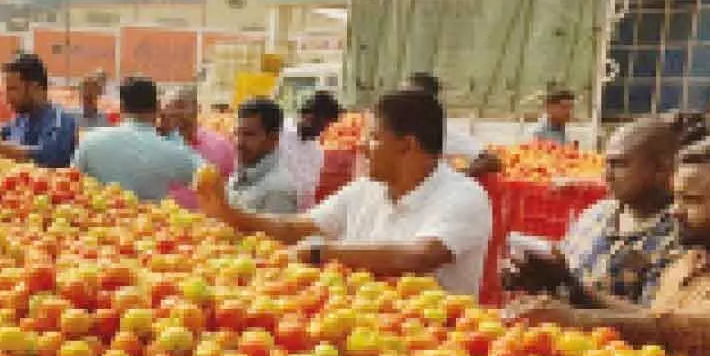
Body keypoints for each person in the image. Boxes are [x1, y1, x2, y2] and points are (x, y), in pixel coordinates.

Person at [506, 135, 710, 356]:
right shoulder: (692, 258)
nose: (674, 211)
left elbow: (695, 331)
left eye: (691, 200)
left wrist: (575, 318)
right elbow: (652, 320)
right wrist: (568, 285)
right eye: (676, 198)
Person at [197, 89, 493, 297]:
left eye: (374, 137)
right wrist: (231, 214)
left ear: (408, 145)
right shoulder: (366, 189)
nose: (362, 147)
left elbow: (421, 255)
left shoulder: (463, 197)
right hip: (360, 330)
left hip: (434, 351)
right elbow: (297, 226)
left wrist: (323, 252)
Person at [503, 113, 706, 307]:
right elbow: (561, 278)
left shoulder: (681, 236)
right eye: (606, 164)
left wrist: (570, 286)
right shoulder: (597, 213)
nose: (607, 175)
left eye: (619, 164)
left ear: (663, 169)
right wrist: (533, 278)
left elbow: (655, 323)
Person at [73, 75, 204, 203]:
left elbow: (71, 182)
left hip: (100, 221)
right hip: (151, 222)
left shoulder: (90, 141)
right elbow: (207, 176)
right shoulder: (174, 151)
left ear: (122, 107)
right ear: (158, 107)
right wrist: (174, 136)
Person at [0, 53, 77, 169]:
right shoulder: (18, 122)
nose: (7, 98)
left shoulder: (60, 120)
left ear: (35, 87)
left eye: (13, 89)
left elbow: (51, 157)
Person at [405, 72, 501, 176]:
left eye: (408, 97)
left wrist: (456, 178)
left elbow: (491, 161)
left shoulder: (441, 132)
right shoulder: (390, 129)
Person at [161, 85, 234, 209]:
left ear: (197, 108)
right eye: (168, 108)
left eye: (180, 106)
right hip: (161, 224)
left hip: (208, 225)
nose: (173, 112)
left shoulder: (221, 146)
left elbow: (233, 188)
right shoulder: (158, 146)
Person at [227, 97, 298, 214]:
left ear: (274, 137)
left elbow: (275, 232)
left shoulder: (278, 189)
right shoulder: (240, 174)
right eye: (236, 133)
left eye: (249, 134)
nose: (239, 142)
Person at [280, 90, 342, 211]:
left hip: (297, 218)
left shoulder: (317, 150)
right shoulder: (279, 135)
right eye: (321, 124)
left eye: (327, 126)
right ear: (308, 116)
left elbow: (309, 192)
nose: (323, 130)